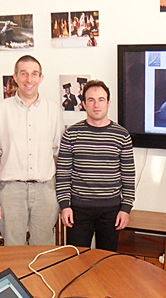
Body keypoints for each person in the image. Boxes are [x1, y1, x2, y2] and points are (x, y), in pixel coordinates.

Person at [0, 55, 64, 246]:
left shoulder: (53, 110)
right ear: (15, 77)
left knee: (44, 250)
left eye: (34, 74)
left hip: (45, 190)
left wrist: (61, 193)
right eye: (24, 73)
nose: (29, 79)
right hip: (11, 191)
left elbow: (58, 154)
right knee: (13, 250)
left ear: (41, 78)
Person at [56, 79, 135, 251]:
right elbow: (63, 174)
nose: (96, 105)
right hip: (78, 210)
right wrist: (65, 206)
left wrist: (126, 208)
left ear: (108, 103)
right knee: (75, 259)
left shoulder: (122, 135)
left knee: (107, 261)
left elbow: (128, 176)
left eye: (101, 99)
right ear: (84, 104)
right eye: (91, 100)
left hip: (111, 211)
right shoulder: (71, 134)